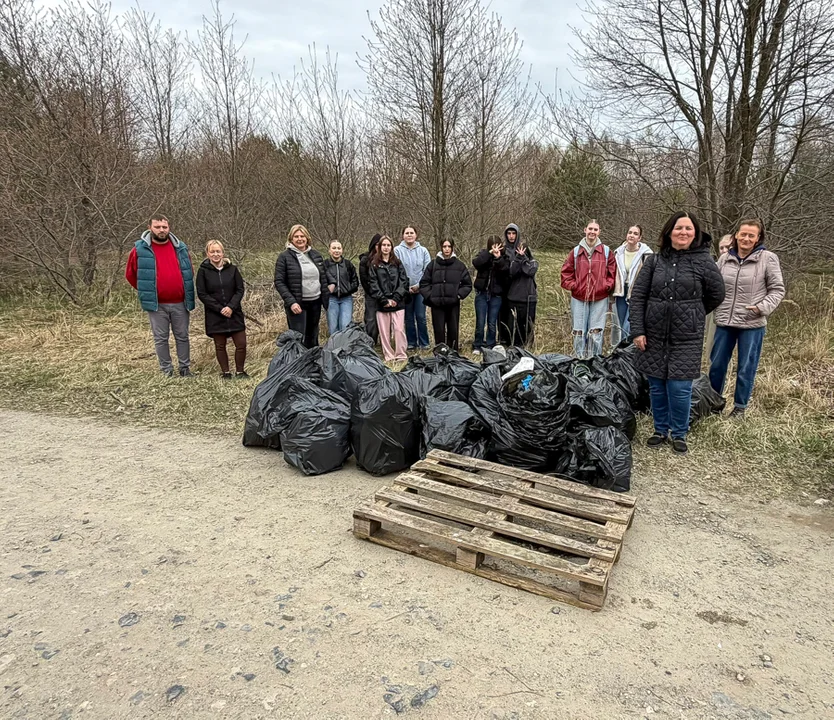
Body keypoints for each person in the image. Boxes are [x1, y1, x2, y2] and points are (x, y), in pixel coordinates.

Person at [629, 211, 726, 454]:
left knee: (680, 388)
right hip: (653, 335)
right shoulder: (653, 261)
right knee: (657, 386)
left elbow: (717, 294)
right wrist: (638, 331)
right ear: (669, 231)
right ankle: (660, 430)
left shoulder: (704, 262)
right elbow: (638, 296)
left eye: (689, 229)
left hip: (687, 337)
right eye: (679, 228)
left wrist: (693, 313)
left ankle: (679, 432)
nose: (683, 232)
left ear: (696, 233)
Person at [708, 219, 785, 418]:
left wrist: (761, 308)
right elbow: (713, 285)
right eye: (743, 234)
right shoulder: (724, 259)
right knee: (716, 366)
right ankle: (714, 404)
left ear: (758, 238)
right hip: (725, 321)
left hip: (752, 323)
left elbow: (777, 290)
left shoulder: (768, 258)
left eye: (751, 235)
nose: (746, 238)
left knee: (745, 368)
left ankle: (740, 407)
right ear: (736, 236)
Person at [125, 215, 195, 378]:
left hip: (180, 302)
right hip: (157, 304)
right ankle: (166, 370)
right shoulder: (139, 250)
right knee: (161, 338)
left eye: (164, 227)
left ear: (169, 228)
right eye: (157, 227)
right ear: (150, 227)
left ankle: (185, 368)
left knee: (182, 336)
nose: (161, 230)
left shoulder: (180, 247)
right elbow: (131, 275)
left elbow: (189, 270)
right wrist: (147, 290)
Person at [560, 219, 616, 358]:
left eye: (595, 229)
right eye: (590, 229)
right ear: (585, 230)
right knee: (579, 332)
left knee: (595, 333)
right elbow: (565, 273)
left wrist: (605, 286)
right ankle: (579, 362)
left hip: (599, 298)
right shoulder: (575, 252)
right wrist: (574, 286)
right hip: (579, 298)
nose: (592, 232)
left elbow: (612, 274)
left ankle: (595, 361)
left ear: (599, 232)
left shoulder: (606, 252)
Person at [196, 240, 248, 379]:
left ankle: (240, 371)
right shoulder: (203, 271)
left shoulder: (233, 269)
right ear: (207, 253)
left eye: (218, 251)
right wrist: (220, 309)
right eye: (212, 251)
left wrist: (231, 307)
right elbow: (202, 294)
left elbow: (240, 289)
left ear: (223, 253)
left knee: (241, 344)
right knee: (220, 345)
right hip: (215, 314)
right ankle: (226, 372)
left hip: (234, 312)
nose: (215, 254)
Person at [273, 224, 329, 349]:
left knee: (312, 336)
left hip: (315, 302)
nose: (299, 239)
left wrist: (326, 297)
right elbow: (279, 282)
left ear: (307, 238)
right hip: (297, 305)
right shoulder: (284, 257)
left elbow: (323, 278)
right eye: (296, 236)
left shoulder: (315, 255)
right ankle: (298, 364)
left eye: (302, 236)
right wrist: (291, 302)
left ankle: (313, 363)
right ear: (291, 239)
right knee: (298, 338)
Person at [419, 239, 473, 351]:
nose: (447, 249)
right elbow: (424, 283)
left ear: (452, 247)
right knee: (439, 330)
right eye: (444, 246)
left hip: (453, 304)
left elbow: (467, 285)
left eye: (449, 246)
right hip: (437, 304)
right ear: (441, 247)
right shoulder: (432, 265)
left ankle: (453, 352)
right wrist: (430, 296)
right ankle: (440, 352)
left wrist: (458, 295)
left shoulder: (459, 265)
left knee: (453, 330)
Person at [610, 225, 653, 347]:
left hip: (637, 293)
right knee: (622, 324)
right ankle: (623, 353)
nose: (632, 235)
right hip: (621, 292)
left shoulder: (647, 254)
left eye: (635, 233)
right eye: (630, 232)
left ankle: (628, 354)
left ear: (640, 238)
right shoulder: (618, 252)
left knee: (629, 325)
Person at [369, 235, 409, 361]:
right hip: (382, 303)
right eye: (383, 245)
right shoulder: (374, 264)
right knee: (384, 332)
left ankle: (401, 354)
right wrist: (383, 300)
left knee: (399, 329)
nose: (386, 248)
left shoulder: (397, 263)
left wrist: (396, 298)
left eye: (388, 245)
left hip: (398, 302)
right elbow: (373, 283)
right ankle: (389, 355)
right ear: (380, 247)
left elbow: (404, 281)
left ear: (391, 247)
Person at [394, 225, 431, 350]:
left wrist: (418, 286)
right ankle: (411, 343)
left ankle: (424, 343)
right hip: (405, 290)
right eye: (407, 233)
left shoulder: (423, 251)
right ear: (403, 235)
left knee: (420, 316)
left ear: (416, 235)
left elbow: (427, 271)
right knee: (408, 317)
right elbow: (396, 271)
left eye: (411, 233)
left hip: (420, 290)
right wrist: (405, 287)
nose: (409, 235)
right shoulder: (397, 251)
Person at [471, 235, 509, 353]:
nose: (495, 249)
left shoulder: (504, 258)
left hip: (496, 295)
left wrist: (498, 259)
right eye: (493, 247)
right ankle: (478, 345)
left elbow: (505, 270)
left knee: (492, 322)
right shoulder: (483, 254)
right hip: (482, 293)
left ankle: (490, 344)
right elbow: (476, 263)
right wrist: (489, 254)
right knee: (480, 321)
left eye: (497, 246)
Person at [505, 226, 539, 347]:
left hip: (529, 298)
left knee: (528, 325)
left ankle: (528, 345)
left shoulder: (533, 262)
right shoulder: (514, 261)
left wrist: (523, 259)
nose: (511, 236)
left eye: (523, 251)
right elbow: (512, 272)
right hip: (514, 297)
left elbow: (529, 271)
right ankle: (513, 345)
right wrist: (519, 259)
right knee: (514, 325)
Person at [704, 233, 734, 354]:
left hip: (737, 314)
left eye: (728, 247)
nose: (724, 251)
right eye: (721, 248)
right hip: (715, 312)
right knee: (712, 347)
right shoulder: (713, 267)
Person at [323, 239, 359, 335]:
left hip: (346, 299)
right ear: (329, 250)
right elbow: (322, 282)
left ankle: (344, 348)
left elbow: (355, 281)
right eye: (334, 248)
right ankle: (334, 348)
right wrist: (327, 292)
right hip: (331, 299)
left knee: (345, 326)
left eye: (339, 248)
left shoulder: (348, 264)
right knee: (333, 327)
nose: (336, 250)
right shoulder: (325, 265)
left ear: (342, 250)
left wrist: (348, 290)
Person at [498, 223, 521, 345]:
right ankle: (502, 339)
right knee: (502, 314)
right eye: (509, 233)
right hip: (503, 287)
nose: (511, 236)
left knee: (515, 316)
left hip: (517, 288)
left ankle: (516, 340)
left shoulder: (521, 249)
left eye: (513, 233)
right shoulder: (503, 250)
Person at [359, 234, 382, 342]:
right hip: (371, 294)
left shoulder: (387, 258)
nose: (379, 247)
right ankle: (370, 341)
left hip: (384, 294)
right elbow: (363, 279)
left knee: (383, 320)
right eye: (377, 244)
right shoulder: (365, 260)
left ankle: (384, 341)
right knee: (371, 319)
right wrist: (372, 292)